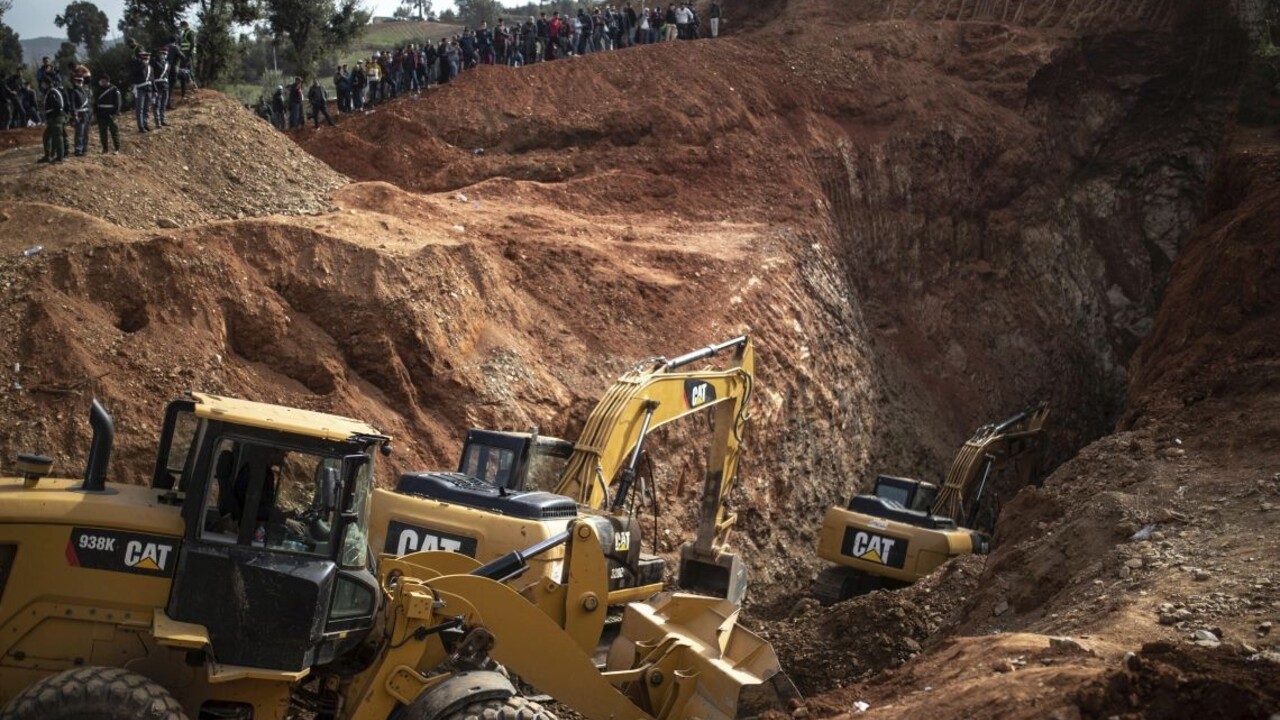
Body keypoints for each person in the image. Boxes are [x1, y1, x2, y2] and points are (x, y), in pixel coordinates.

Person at [39, 80, 67, 163]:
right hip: (53, 118)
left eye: (43, 84)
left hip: (56, 117)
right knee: (46, 136)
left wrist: (53, 113)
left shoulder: (52, 92)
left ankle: (60, 157)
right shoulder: (51, 92)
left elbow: (58, 105)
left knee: (58, 137)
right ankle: (48, 156)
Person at [94, 74, 122, 154]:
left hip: (111, 113)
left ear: (107, 81)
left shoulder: (114, 89)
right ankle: (105, 149)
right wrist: (95, 112)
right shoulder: (99, 90)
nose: (101, 82)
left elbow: (118, 102)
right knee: (103, 132)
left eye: (103, 80)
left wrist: (115, 114)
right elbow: (96, 102)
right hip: (101, 113)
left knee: (114, 131)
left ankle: (117, 149)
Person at [70, 75, 91, 156]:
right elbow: (73, 104)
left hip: (86, 114)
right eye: (77, 81)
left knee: (86, 133)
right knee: (79, 133)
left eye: (80, 81)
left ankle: (84, 149)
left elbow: (88, 104)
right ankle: (78, 150)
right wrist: (74, 115)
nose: (79, 83)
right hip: (79, 114)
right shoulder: (74, 92)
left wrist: (90, 114)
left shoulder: (86, 91)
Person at [133, 49, 153, 132]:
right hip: (140, 88)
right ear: (141, 58)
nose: (146, 59)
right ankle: (141, 126)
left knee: (146, 108)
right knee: (140, 109)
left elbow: (152, 79)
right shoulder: (137, 65)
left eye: (147, 57)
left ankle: (145, 124)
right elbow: (134, 74)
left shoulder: (150, 67)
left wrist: (154, 90)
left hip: (148, 89)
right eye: (144, 57)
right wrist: (142, 65)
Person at [151, 46, 171, 128]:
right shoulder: (154, 62)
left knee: (163, 104)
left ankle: (163, 120)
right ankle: (157, 122)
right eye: (162, 53)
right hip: (157, 85)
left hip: (165, 85)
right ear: (159, 53)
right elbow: (151, 75)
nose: (164, 55)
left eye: (165, 53)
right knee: (157, 104)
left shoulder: (167, 63)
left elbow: (167, 75)